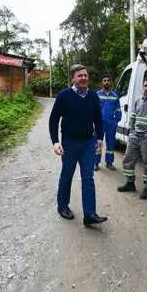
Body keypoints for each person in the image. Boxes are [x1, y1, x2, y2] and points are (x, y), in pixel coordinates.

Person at [49, 64, 108, 226]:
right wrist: (55, 142)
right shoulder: (64, 96)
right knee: (67, 175)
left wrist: (100, 138)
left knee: (88, 177)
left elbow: (98, 119)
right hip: (69, 143)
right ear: (73, 78)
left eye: (85, 75)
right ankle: (62, 206)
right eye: (79, 76)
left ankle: (89, 214)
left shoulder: (93, 97)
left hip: (88, 143)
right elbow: (54, 120)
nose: (83, 78)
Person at [118, 76, 147, 199]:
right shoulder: (138, 99)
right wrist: (132, 130)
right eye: (145, 85)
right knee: (128, 159)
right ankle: (130, 184)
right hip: (135, 136)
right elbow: (133, 116)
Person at [95, 74, 122, 171]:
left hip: (111, 123)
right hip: (99, 123)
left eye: (108, 80)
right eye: (104, 80)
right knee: (98, 143)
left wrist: (116, 120)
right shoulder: (97, 95)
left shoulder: (115, 96)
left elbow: (118, 109)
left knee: (110, 143)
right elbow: (94, 109)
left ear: (110, 83)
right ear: (102, 82)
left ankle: (109, 162)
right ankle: (96, 163)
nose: (106, 82)